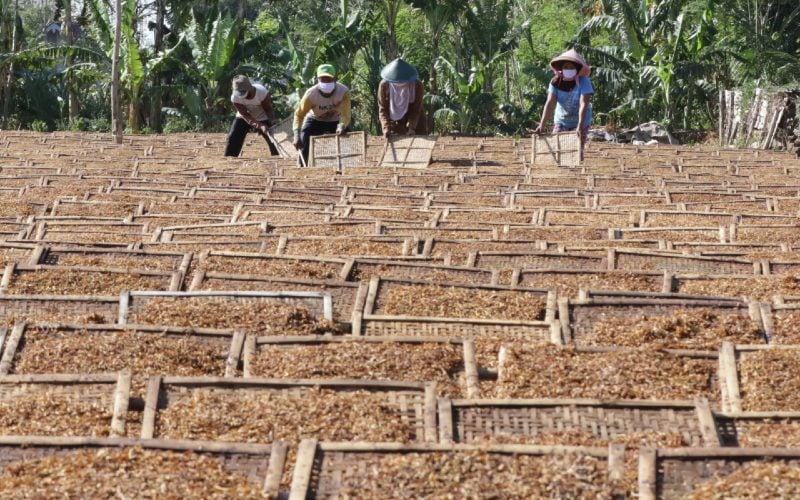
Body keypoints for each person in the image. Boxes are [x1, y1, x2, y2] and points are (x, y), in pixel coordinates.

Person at [292, 64, 352, 165]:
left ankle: (348, 166)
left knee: (348, 142)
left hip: (336, 120)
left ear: (335, 78)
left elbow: (345, 114)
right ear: (317, 79)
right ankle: (302, 167)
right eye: (322, 80)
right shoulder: (311, 94)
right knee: (304, 142)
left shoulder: (343, 92)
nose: (326, 82)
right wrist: (296, 135)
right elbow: (299, 115)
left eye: (329, 79)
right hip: (316, 119)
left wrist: (341, 126)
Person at [534, 49, 593, 145]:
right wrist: (542, 125)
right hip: (561, 121)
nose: (568, 69)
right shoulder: (555, 82)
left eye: (571, 67)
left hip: (581, 121)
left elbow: (584, 103)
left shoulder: (584, 81)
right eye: (566, 67)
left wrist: (580, 126)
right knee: (558, 147)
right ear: (562, 68)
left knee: (577, 151)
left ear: (577, 69)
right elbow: (550, 103)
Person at [224, 75, 279, 157]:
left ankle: (277, 157)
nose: (241, 95)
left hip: (263, 116)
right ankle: (229, 158)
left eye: (242, 92)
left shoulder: (261, 92)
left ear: (249, 88)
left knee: (274, 140)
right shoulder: (235, 97)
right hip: (244, 117)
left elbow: (268, 109)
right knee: (233, 138)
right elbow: (245, 114)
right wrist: (259, 126)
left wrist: (272, 121)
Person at [377, 58, 426, 137]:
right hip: (394, 120)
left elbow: (416, 108)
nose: (400, 84)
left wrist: (412, 127)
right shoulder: (384, 85)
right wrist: (386, 127)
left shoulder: (417, 85)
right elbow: (383, 109)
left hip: (416, 120)